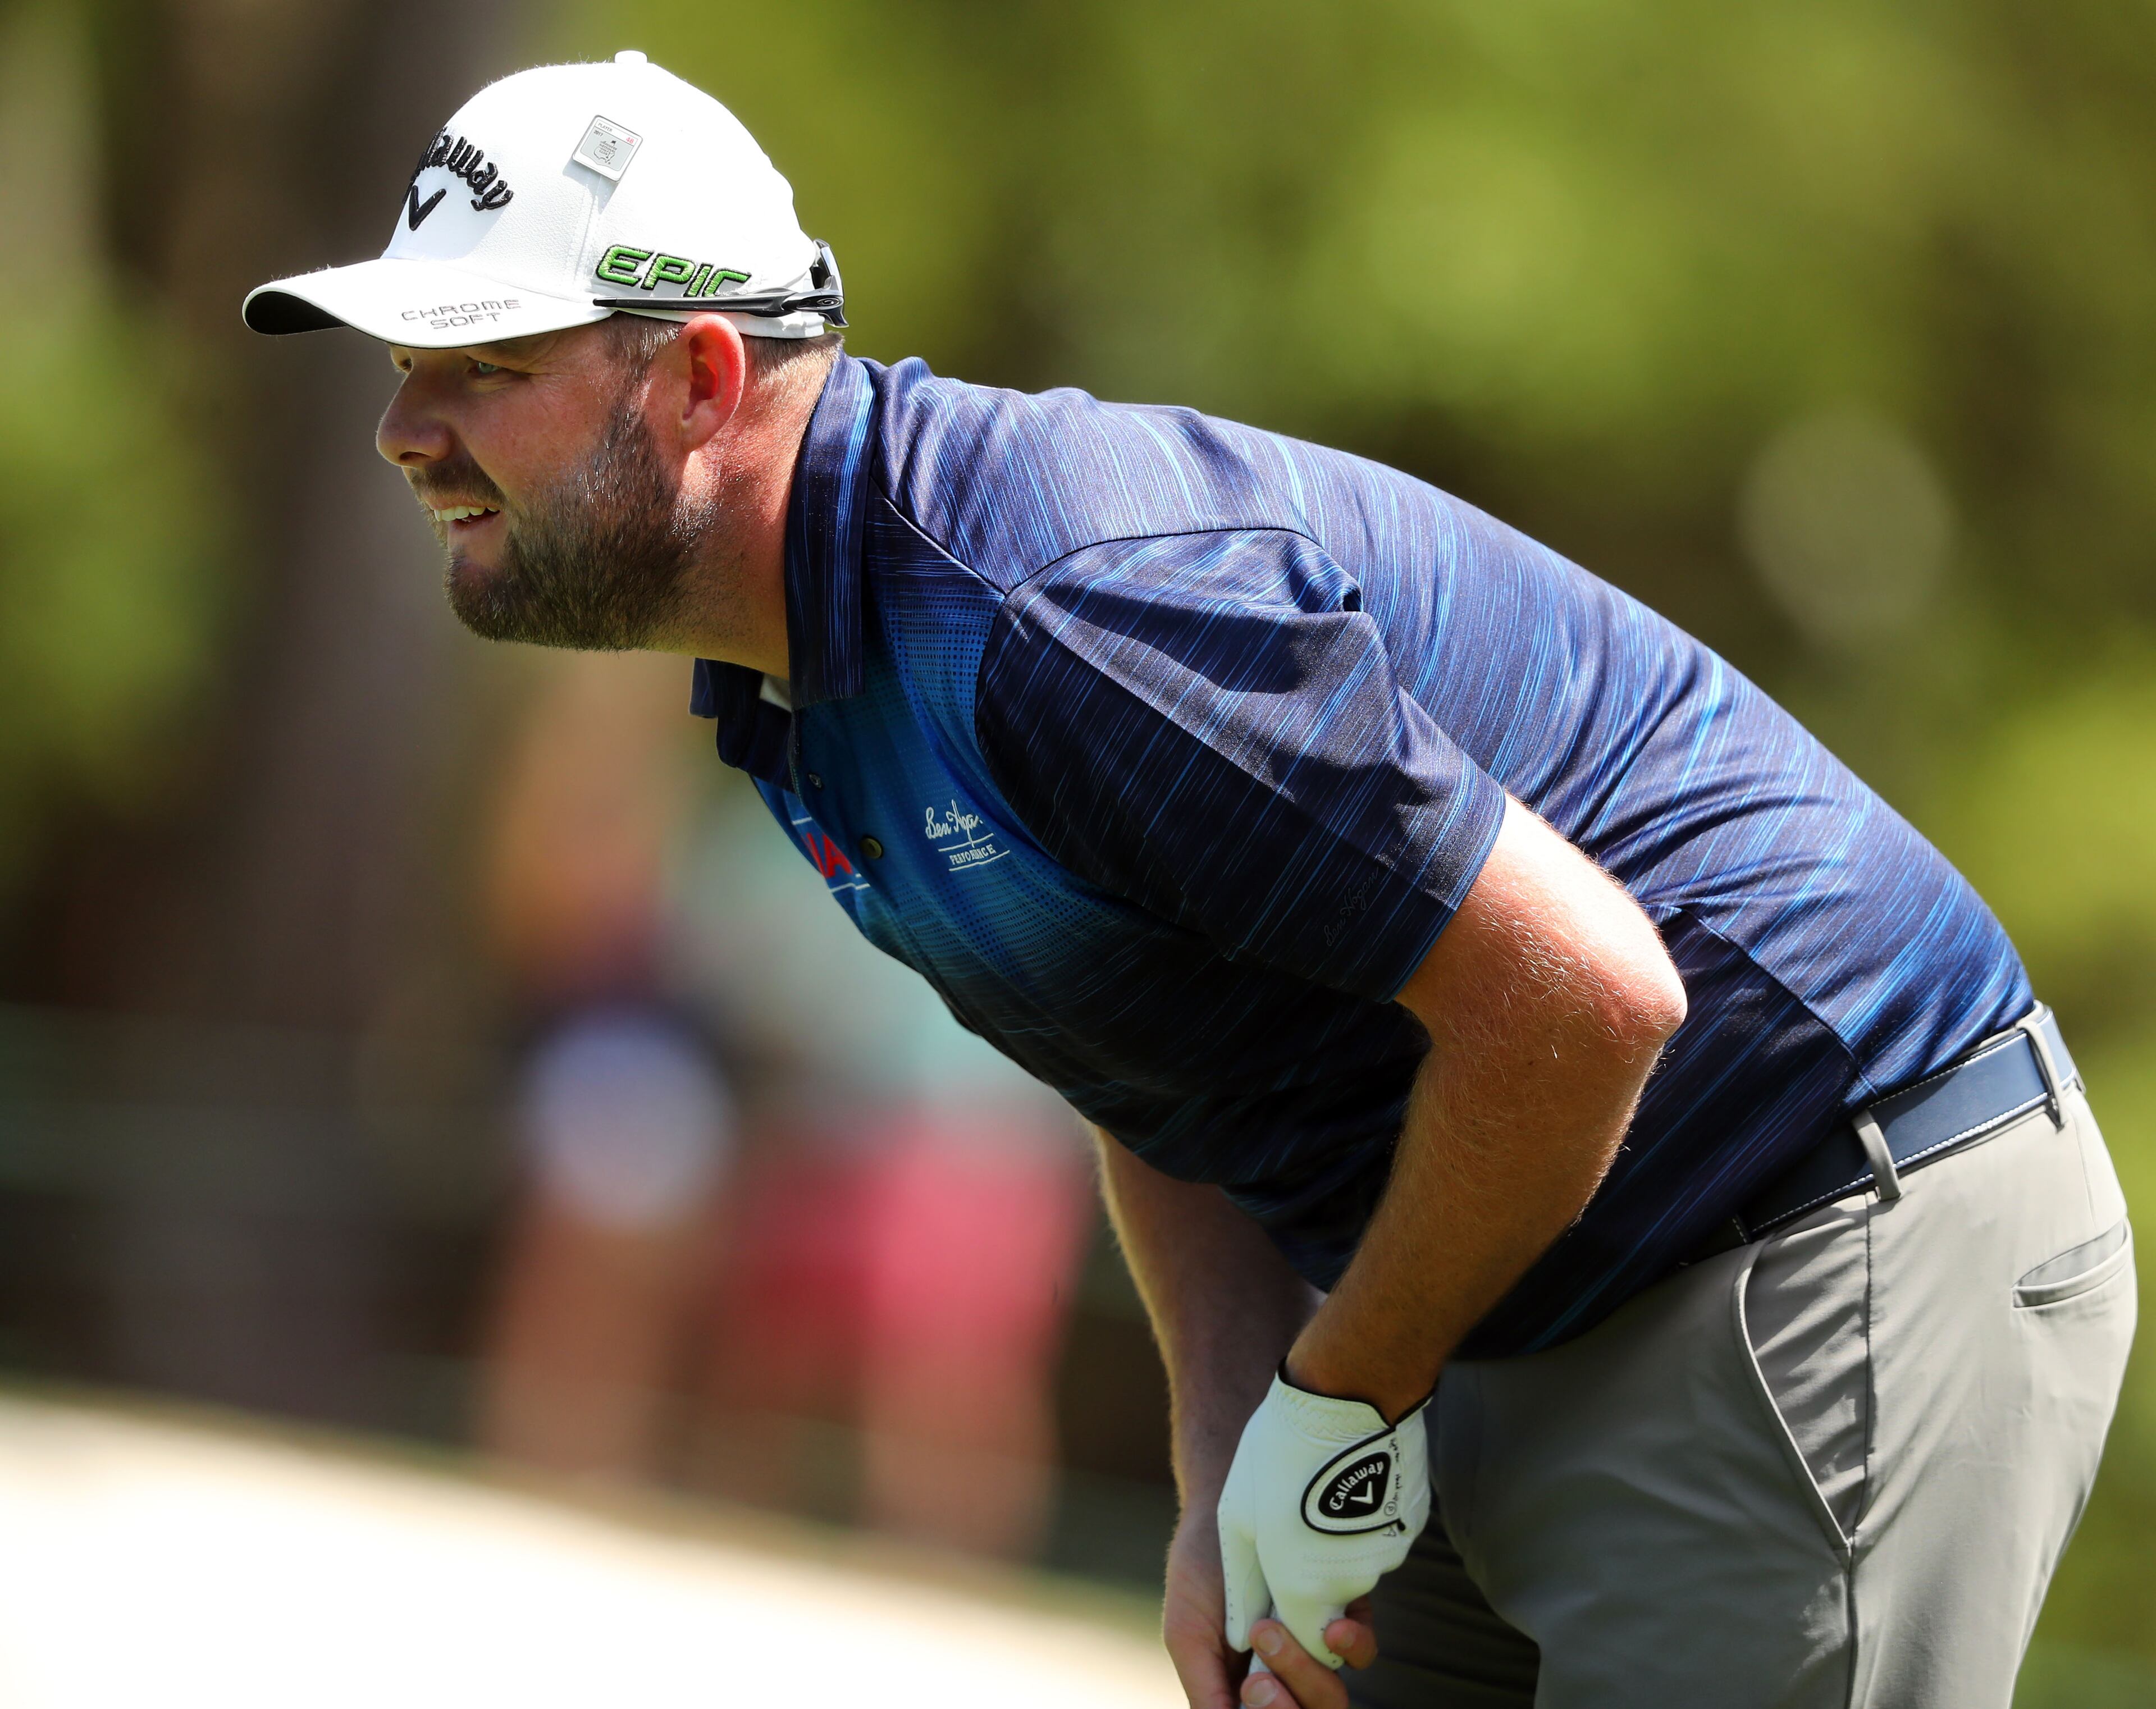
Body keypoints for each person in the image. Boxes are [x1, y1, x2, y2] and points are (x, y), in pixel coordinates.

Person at [242, 52, 2135, 1709]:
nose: (407, 429)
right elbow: (1157, 1049)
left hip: (1823, 1224)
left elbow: (1587, 994)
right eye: (408, 368)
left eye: (481, 366)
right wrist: (1229, 1440)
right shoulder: (794, 682)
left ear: (705, 374)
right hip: (1499, 1269)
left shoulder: (1051, 612)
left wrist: (1334, 1395)